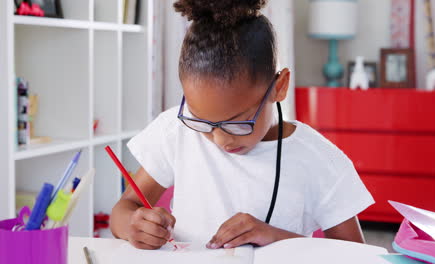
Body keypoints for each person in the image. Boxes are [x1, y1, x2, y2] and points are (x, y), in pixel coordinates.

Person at [110, 0, 374, 250]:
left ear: (279, 87)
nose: (221, 139)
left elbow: (353, 255)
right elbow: (124, 210)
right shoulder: (175, 130)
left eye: (237, 123)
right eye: (202, 121)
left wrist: (276, 237)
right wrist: (133, 226)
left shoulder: (320, 160)